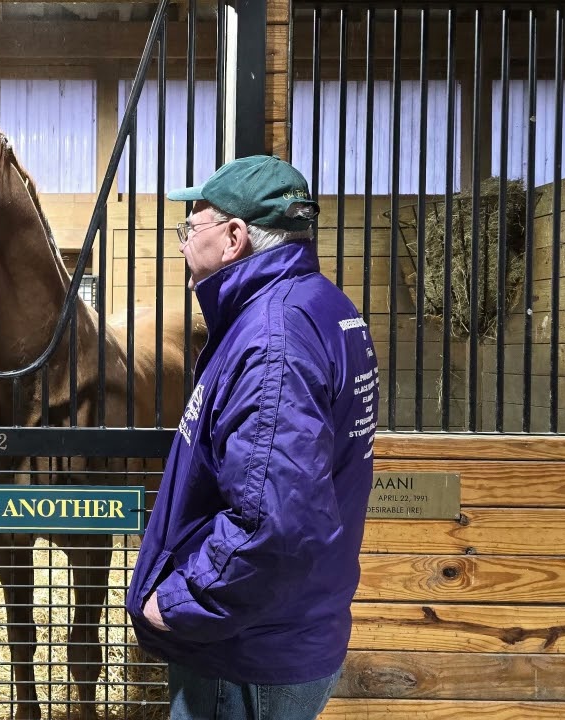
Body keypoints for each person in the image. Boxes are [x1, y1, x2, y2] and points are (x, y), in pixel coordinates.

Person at [125, 155, 379, 720]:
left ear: (234, 237)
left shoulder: (271, 341)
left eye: (192, 226)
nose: (185, 241)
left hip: (243, 653)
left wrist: (183, 602)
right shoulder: (322, 307)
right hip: (285, 625)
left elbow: (275, 522)